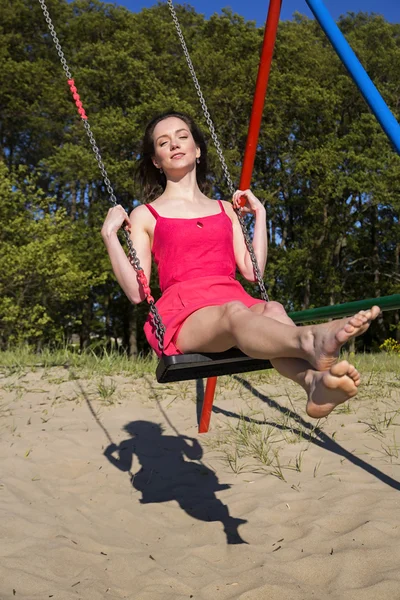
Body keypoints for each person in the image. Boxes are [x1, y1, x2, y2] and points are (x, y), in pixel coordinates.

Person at [101, 111, 380, 419]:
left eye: (183, 137)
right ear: (156, 160)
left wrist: (260, 215)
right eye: (163, 142)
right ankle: (310, 339)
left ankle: (313, 383)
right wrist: (109, 235)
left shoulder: (225, 209)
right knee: (234, 312)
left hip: (232, 300)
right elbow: (137, 293)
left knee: (272, 308)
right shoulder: (146, 214)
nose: (175, 145)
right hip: (184, 314)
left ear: (197, 149)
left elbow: (252, 272)